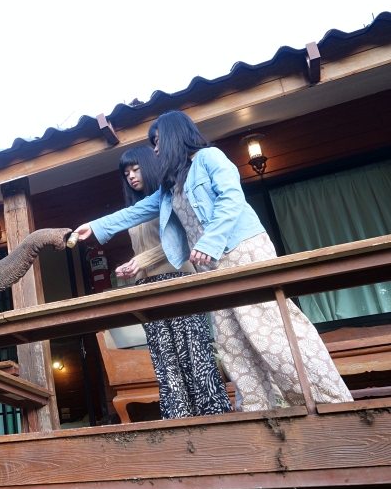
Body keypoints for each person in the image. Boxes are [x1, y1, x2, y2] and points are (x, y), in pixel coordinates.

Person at [74, 111, 352, 411]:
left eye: (157, 142)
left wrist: (208, 241)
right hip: (213, 268)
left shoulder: (210, 158)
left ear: (174, 137)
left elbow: (232, 199)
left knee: (268, 332)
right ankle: (258, 410)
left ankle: (328, 402)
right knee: (231, 342)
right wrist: (96, 226)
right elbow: (135, 212)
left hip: (242, 252)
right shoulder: (170, 185)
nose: (155, 150)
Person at [114, 145, 232, 419]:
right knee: (164, 358)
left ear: (149, 165)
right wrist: (133, 270)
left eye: (135, 168)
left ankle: (215, 417)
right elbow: (140, 253)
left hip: (178, 280)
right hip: (146, 288)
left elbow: (180, 241)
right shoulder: (135, 209)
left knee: (194, 351)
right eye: (126, 172)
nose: (131, 176)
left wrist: (140, 261)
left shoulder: (170, 197)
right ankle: (179, 419)